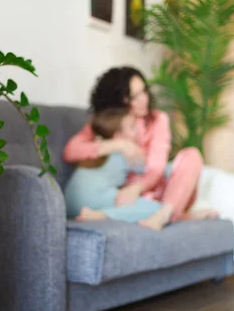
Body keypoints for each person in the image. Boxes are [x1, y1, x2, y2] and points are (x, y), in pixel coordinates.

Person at [63, 66, 217, 230]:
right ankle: (180, 217)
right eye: (134, 97)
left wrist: (136, 189)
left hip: (160, 190)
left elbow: (157, 167)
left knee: (192, 155)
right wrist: (119, 145)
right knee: (139, 205)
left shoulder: (158, 119)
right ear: (120, 100)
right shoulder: (110, 123)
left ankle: (164, 215)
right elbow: (71, 151)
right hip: (128, 197)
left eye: (144, 91)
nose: (144, 99)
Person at [64, 107, 164, 226]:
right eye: (132, 127)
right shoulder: (129, 152)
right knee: (158, 210)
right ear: (118, 136)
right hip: (93, 197)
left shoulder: (97, 147)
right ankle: (102, 215)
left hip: (68, 202)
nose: (137, 131)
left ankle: (100, 213)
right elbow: (155, 169)